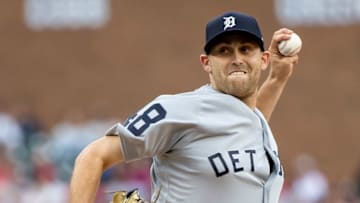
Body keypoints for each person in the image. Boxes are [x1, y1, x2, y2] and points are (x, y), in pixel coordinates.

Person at [70, 11, 299, 203]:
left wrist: (277, 79)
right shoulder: (178, 110)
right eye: (224, 51)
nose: (236, 58)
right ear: (206, 63)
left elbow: (240, 127)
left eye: (246, 49)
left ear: (264, 59)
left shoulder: (252, 122)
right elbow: (93, 156)